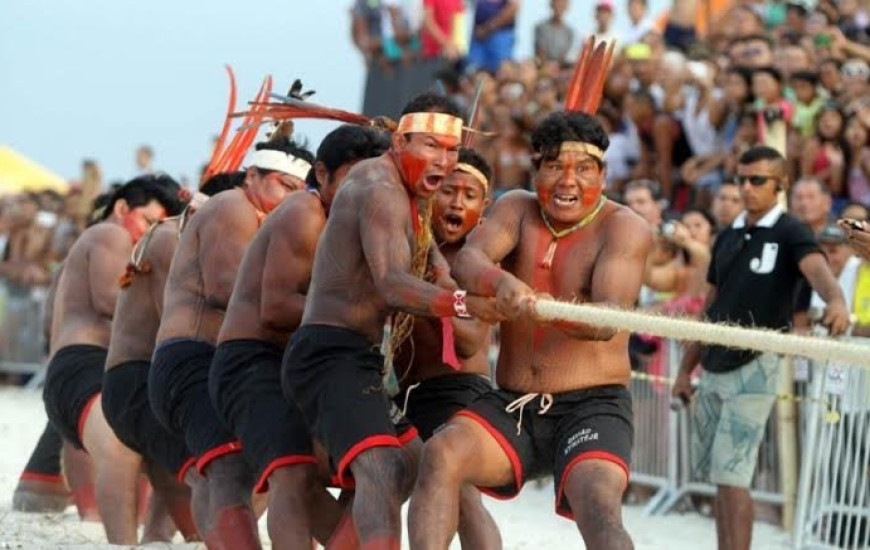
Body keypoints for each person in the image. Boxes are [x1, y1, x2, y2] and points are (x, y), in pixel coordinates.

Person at [409, 111, 652, 549]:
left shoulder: (626, 228)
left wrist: (538, 309)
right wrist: (501, 282)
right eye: (554, 167)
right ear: (534, 170)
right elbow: (469, 260)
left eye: (582, 169)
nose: (567, 182)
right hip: (514, 403)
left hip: (592, 406)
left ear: (604, 174)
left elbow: (607, 321)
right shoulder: (516, 208)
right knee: (441, 454)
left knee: (598, 505)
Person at [282, 92, 499, 549]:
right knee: (381, 467)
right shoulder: (380, 189)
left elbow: (434, 269)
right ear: (400, 141)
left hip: (356, 356)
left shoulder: (411, 197)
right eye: (431, 146)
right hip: (330, 353)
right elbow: (392, 285)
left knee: (419, 463)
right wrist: (464, 304)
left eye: (451, 150)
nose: (443, 160)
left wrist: (464, 289)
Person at [209, 125, 389, 548]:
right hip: (252, 359)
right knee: (292, 472)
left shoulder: (368, 220)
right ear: (322, 175)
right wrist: (367, 312)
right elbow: (274, 310)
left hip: (304, 362)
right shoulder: (305, 214)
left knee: (380, 464)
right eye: (353, 180)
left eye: (374, 182)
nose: (363, 192)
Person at [673, 146, 850, 550]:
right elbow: (710, 306)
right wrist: (686, 370)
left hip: (757, 363)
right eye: (741, 179)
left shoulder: (791, 230)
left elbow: (818, 270)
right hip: (714, 362)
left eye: (758, 180)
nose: (747, 188)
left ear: (780, 185)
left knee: (733, 476)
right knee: (722, 478)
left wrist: (836, 301)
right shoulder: (729, 235)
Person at [150, 138, 312, 548]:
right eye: (284, 186)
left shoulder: (272, 223)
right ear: (252, 176)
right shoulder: (233, 206)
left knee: (251, 468)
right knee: (231, 467)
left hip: (220, 361)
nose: (290, 200)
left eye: (299, 192)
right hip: (193, 356)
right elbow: (230, 290)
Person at [101, 172, 243, 543]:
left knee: (185, 471)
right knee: (209, 469)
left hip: (145, 378)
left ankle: (159, 538)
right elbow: (184, 322)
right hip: (137, 381)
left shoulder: (182, 238)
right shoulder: (168, 238)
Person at [41, 175, 184, 543]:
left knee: (169, 451)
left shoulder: (95, 241)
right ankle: (127, 539)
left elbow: (47, 318)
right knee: (121, 450)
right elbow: (110, 299)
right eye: (149, 222)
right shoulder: (111, 235)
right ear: (123, 209)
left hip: (90, 368)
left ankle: (156, 536)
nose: (152, 233)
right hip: (85, 364)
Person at [393, 148, 501, 549]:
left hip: (459, 392)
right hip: (403, 393)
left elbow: (471, 339)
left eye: (469, 195)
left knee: (464, 497)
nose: (457, 202)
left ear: (483, 207)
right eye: (447, 191)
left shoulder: (479, 262)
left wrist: (436, 268)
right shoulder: (399, 244)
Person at [467, 0, 520, 73]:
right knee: (472, 71)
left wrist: (488, 28)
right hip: (476, 35)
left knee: (500, 72)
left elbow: (513, 7)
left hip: (500, 35)